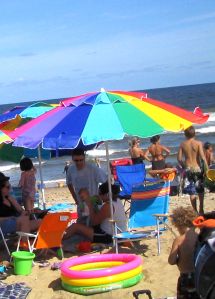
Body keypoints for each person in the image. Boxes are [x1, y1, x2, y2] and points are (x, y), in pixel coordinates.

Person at [66, 148, 107, 220]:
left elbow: (106, 181)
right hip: (81, 203)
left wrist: (100, 197)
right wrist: (75, 198)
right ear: (72, 159)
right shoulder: (71, 169)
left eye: (81, 160)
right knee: (82, 222)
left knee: (93, 224)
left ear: (84, 158)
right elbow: (69, 183)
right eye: (76, 160)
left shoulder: (93, 169)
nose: (78, 162)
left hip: (94, 202)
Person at [168, 206, 199, 299]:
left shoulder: (179, 240)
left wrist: (178, 259)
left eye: (177, 228)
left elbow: (171, 261)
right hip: (199, 275)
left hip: (186, 277)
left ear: (179, 225)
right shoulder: (199, 237)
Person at [177, 126, 208, 215]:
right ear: (194, 133)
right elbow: (202, 157)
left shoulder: (182, 144)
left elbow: (179, 158)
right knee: (200, 190)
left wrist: (184, 166)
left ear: (185, 134)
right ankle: (201, 209)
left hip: (188, 169)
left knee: (192, 191)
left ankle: (195, 211)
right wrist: (207, 169)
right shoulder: (198, 143)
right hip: (197, 168)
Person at [0, 172, 40, 236]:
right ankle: (25, 243)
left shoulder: (9, 197)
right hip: (4, 225)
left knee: (41, 221)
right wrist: (12, 218)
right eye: (7, 187)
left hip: (19, 222)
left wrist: (30, 211)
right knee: (24, 220)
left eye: (10, 186)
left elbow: (21, 211)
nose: (10, 188)